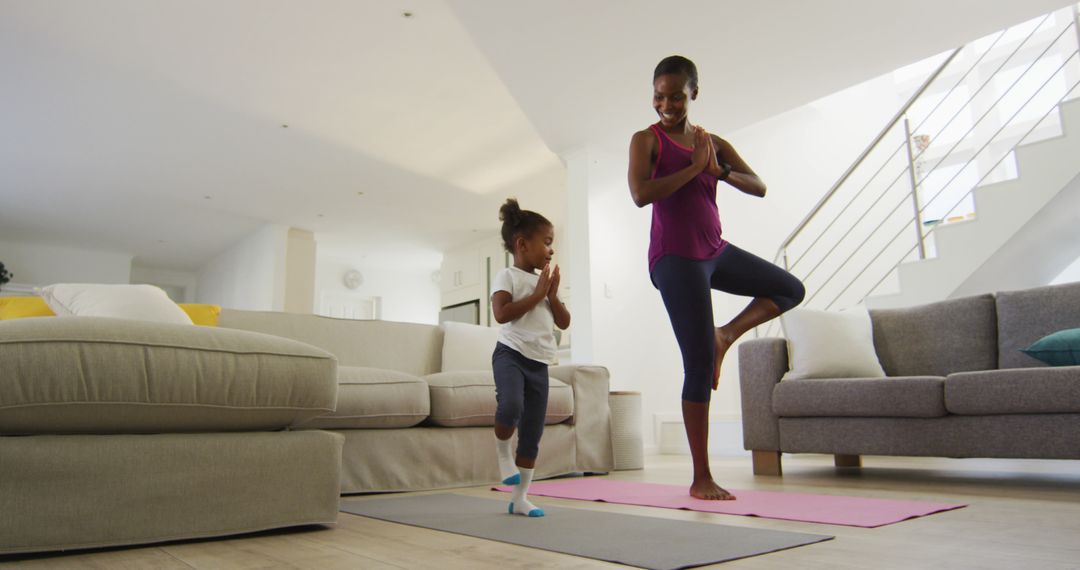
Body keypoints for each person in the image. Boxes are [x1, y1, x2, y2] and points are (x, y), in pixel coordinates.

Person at [627, 55, 805, 500]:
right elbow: (640, 194)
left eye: (676, 96)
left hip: (714, 250)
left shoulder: (713, 143)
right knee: (698, 363)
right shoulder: (645, 141)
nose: (665, 104)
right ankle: (701, 476)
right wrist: (692, 170)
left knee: (789, 288)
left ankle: (725, 334)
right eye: (659, 96)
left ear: (694, 94)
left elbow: (758, 185)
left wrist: (718, 170)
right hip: (674, 258)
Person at [490, 198, 571, 517]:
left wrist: (551, 296)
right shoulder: (506, 276)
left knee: (532, 433)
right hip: (510, 354)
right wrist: (538, 294)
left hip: (539, 364)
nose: (551, 250)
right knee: (511, 405)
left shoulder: (545, 283)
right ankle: (501, 456)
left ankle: (520, 498)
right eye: (547, 242)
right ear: (522, 244)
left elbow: (563, 322)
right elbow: (501, 314)